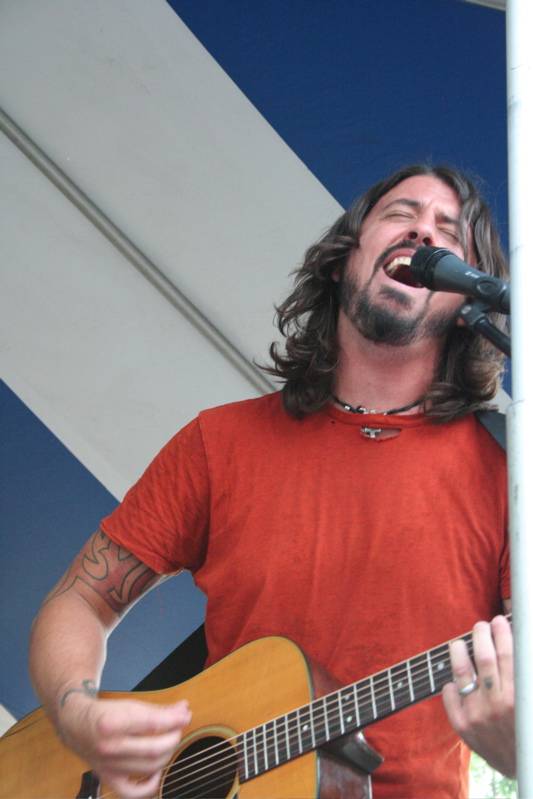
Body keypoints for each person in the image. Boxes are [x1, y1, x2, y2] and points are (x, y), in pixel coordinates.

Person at [29, 164, 515, 798]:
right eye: (400, 214)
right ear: (342, 261)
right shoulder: (220, 443)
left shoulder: (509, 475)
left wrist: (517, 750)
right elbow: (79, 602)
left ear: (466, 307)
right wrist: (76, 716)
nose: (423, 232)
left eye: (448, 233)